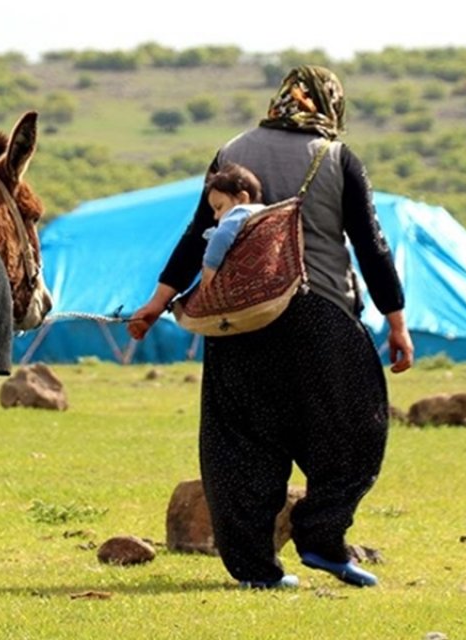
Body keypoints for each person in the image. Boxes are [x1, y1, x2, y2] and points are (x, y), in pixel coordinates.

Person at [128, 65, 414, 590]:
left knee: (240, 440)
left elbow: (199, 235)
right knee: (355, 428)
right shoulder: (336, 158)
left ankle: (256, 568)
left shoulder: (230, 150)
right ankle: (322, 538)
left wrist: (157, 302)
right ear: (330, 106)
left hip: (239, 320)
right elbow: (371, 245)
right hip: (320, 314)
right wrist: (397, 322)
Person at [198, 163, 263, 289]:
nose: (216, 216)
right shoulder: (263, 211)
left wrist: (208, 275)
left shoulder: (241, 212)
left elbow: (221, 236)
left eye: (219, 207)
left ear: (242, 198)